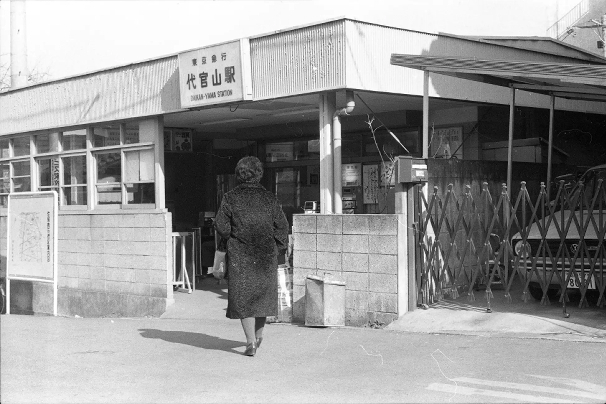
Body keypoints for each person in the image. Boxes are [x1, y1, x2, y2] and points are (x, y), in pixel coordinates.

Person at [214, 156, 289, 356]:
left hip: (240, 254)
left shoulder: (230, 197)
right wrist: (279, 249)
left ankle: (250, 342)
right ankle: (259, 337)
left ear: (239, 174)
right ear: (259, 174)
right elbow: (282, 226)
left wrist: (232, 237)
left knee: (244, 299)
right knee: (262, 298)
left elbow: (221, 225)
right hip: (265, 255)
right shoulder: (269, 198)